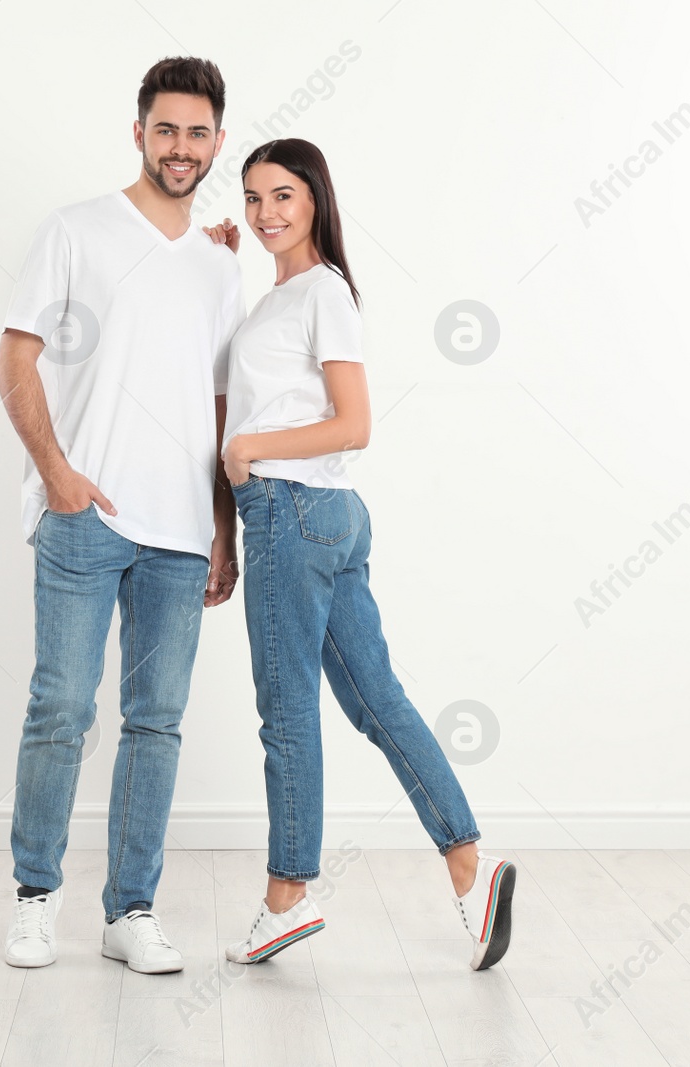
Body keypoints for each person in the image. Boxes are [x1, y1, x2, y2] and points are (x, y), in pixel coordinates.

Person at [205, 138, 516, 971]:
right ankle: (469, 870)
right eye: (255, 197)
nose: (268, 212)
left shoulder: (325, 294)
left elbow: (354, 424)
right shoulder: (276, 298)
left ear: (315, 199)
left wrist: (248, 451)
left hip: (293, 509)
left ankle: (287, 896)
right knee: (375, 700)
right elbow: (263, 382)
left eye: (284, 195)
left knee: (288, 709)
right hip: (318, 518)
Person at [0, 56, 244, 974]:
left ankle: (129, 909)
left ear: (218, 141)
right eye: (167, 129)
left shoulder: (221, 263)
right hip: (84, 514)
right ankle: (35, 897)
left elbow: (221, 404)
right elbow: (15, 359)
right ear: (138, 131)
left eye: (199, 132)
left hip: (181, 531)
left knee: (157, 721)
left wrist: (226, 523)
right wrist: (56, 471)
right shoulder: (75, 231)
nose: (182, 147)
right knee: (61, 706)